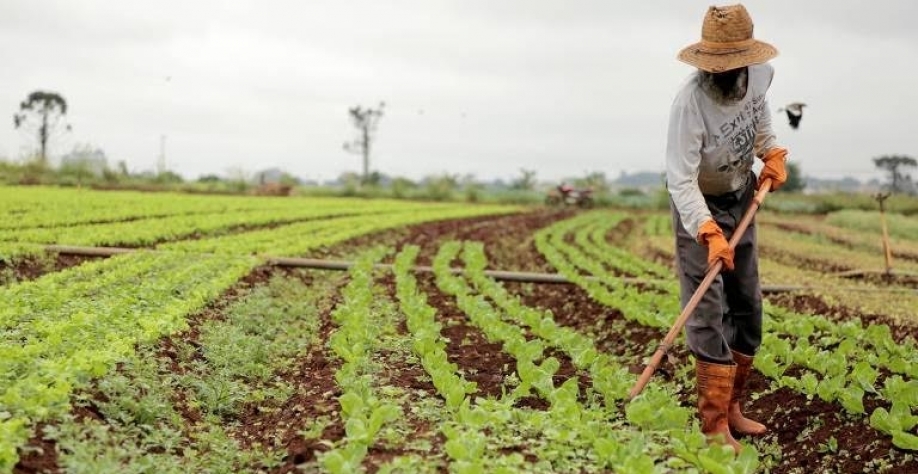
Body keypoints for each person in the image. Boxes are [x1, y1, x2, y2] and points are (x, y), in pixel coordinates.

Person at [666, 4, 788, 452]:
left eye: (733, 65)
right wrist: (708, 232)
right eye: (716, 66)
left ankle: (734, 406)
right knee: (707, 307)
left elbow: (759, 119)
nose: (724, 73)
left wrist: (771, 152)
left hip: (741, 192)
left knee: (746, 300)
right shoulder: (689, 103)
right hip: (698, 201)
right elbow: (680, 180)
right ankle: (714, 424)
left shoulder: (761, 75)